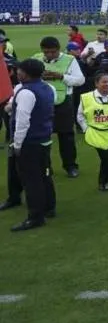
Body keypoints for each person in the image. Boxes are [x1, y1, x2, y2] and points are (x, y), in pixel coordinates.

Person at [1, 58, 56, 231]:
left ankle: (36, 217)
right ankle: (49, 207)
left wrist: (17, 144)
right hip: (43, 138)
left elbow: (23, 122)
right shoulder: (48, 88)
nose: (17, 72)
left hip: (29, 141)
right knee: (44, 174)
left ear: (25, 73)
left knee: (32, 180)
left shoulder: (26, 92)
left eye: (19, 70)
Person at [35, 35, 84, 178]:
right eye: (46, 52)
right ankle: (45, 167)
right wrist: (40, 76)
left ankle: (70, 166)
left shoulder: (69, 60)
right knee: (42, 137)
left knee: (66, 136)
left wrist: (61, 76)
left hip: (63, 103)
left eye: (53, 52)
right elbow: (27, 76)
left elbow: (80, 80)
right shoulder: (36, 58)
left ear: (58, 49)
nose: (49, 55)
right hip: (41, 103)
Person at [77, 73, 108, 192]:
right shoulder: (87, 97)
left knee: (107, 158)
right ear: (96, 83)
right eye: (104, 82)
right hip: (96, 133)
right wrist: (86, 129)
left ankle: (103, 182)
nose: (107, 84)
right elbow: (80, 115)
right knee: (106, 157)